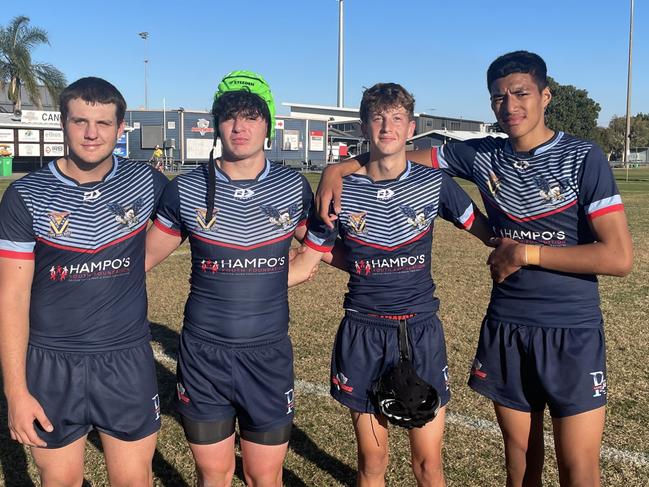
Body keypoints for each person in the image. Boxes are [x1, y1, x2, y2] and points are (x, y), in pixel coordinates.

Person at [316, 51, 633, 487]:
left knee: (579, 472)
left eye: (520, 93)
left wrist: (526, 253)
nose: (510, 106)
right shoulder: (481, 154)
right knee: (520, 464)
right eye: (498, 97)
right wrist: (338, 168)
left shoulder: (583, 157)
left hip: (570, 329)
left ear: (546, 96)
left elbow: (618, 257)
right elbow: (398, 157)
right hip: (507, 325)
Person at [291, 82, 493, 486]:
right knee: (372, 463)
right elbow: (305, 263)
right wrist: (240, 276)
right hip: (364, 332)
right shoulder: (340, 190)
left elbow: (489, 233)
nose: (388, 127)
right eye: (378, 118)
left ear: (411, 127)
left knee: (428, 464)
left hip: (421, 331)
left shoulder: (434, 184)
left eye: (397, 118)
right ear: (364, 127)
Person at [145, 70, 313, 487]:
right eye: (230, 117)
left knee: (264, 475)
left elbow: (323, 247)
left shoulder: (293, 187)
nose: (240, 127)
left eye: (252, 116)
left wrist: (295, 269)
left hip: (267, 355)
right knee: (213, 474)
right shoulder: (185, 189)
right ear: (217, 124)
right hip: (204, 355)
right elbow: (141, 258)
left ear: (268, 124)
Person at [0, 77, 168, 486]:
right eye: (80, 121)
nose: (91, 134)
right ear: (63, 123)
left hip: (125, 361)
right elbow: (12, 296)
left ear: (120, 127)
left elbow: (209, 203)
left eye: (103, 123)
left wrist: (340, 170)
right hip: (51, 363)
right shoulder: (26, 195)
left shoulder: (147, 183)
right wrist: (16, 393)